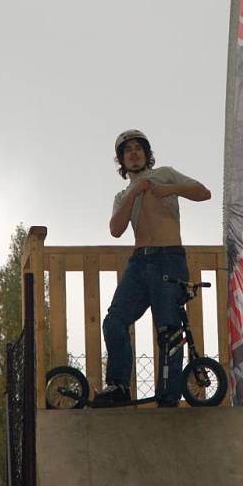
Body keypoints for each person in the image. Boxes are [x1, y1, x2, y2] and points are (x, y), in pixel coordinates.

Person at [94, 129, 211, 407]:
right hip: (139, 262)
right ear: (122, 161)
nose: (133, 153)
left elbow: (203, 193)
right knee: (114, 321)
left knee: (168, 329)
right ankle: (119, 386)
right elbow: (116, 230)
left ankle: (168, 395)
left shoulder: (166, 174)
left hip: (168, 258)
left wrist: (171, 189)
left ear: (147, 154)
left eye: (138, 148)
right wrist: (135, 191)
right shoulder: (123, 194)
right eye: (127, 150)